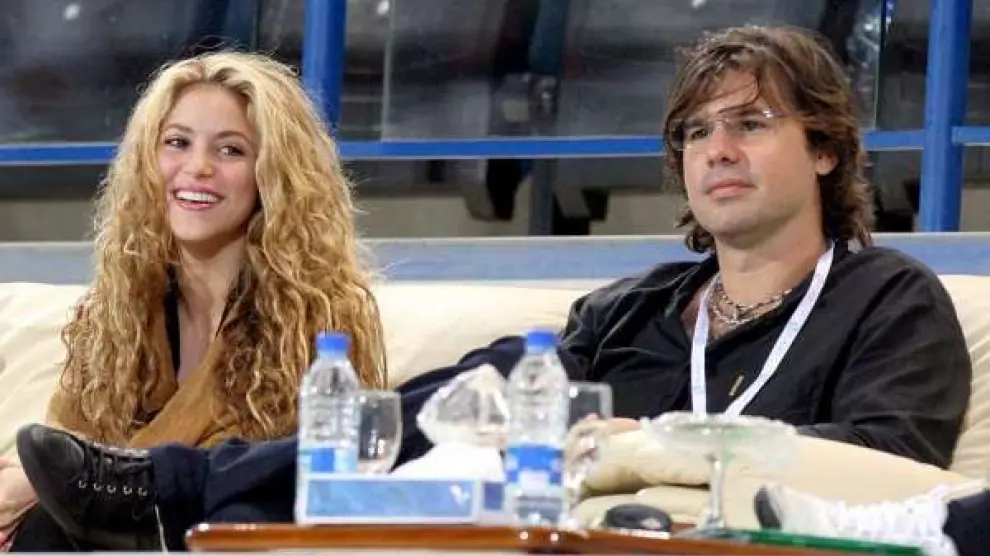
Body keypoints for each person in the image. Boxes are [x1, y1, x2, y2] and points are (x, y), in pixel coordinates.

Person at [15, 24, 974, 551]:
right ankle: (168, 496)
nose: (716, 150)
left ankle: (161, 492)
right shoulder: (631, 309)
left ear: (825, 149)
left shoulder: (887, 299)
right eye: (695, 133)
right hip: (555, 538)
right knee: (458, 399)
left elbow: (890, 479)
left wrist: (657, 445)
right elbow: (461, 403)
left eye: (751, 124)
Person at [2, 50, 386, 550]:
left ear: (273, 174)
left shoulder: (324, 319)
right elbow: (63, 448)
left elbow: (275, 482)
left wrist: (50, 483)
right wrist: (34, 483)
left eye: (231, 150)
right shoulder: (114, 311)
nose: (198, 167)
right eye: (177, 143)